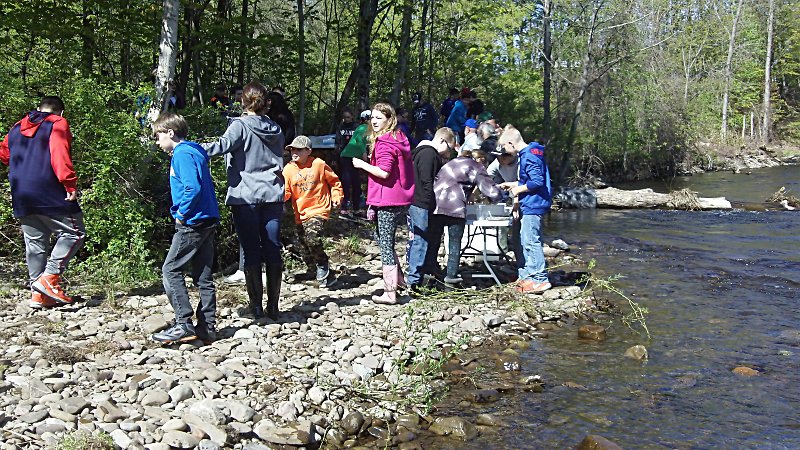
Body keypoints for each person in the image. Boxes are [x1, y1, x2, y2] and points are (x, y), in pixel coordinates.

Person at [202, 81, 285, 319]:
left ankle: (256, 307)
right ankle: (274, 307)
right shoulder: (276, 128)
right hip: (272, 193)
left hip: (245, 195)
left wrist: (189, 148)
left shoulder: (239, 126)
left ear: (242, 101)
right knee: (272, 247)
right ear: (265, 102)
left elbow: (220, 146)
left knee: (250, 250)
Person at [0, 96, 86, 309]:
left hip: (21, 192)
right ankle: (49, 278)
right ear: (61, 112)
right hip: (48, 190)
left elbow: (4, 155)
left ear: (38, 108)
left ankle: (38, 295)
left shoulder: (16, 127)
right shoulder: (58, 123)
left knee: (35, 244)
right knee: (75, 233)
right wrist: (69, 184)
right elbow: (59, 154)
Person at [149, 113, 220, 344]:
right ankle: (207, 327)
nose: (157, 143)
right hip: (207, 219)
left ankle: (183, 323)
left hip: (193, 221)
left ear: (171, 132)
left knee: (170, 270)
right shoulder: (196, 151)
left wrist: (182, 214)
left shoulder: (182, 154)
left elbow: (192, 188)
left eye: (158, 136)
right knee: (203, 276)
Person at [352, 103, 414, 304]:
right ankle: (400, 281)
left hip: (387, 199)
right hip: (399, 198)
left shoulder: (386, 142)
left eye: (379, 118)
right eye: (373, 117)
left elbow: (384, 172)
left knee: (386, 245)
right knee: (382, 238)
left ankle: (390, 292)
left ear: (390, 119)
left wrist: (362, 164)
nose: (374, 121)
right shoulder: (400, 138)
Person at [430, 149, 505, 285]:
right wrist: (504, 196)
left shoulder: (451, 163)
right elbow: (490, 191)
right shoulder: (476, 166)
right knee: (455, 242)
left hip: (435, 204)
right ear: (481, 160)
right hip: (455, 206)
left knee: (434, 241)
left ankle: (430, 272)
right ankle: (451, 278)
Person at [283, 136, 344, 288]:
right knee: (302, 244)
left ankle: (323, 266)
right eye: (292, 149)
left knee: (312, 237)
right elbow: (286, 192)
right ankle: (313, 270)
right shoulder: (289, 169)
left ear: (308, 151)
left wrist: (337, 196)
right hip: (300, 212)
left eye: (298, 149)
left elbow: (335, 182)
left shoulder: (318, 164)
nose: (294, 152)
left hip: (319, 208)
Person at [498, 126, 552, 294]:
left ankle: (540, 279)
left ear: (510, 143)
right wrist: (514, 184)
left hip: (533, 204)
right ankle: (529, 276)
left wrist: (517, 190)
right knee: (525, 240)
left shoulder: (529, 155)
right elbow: (528, 180)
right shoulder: (529, 153)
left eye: (504, 147)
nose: (504, 151)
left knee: (531, 241)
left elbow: (537, 182)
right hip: (530, 203)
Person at [406, 128, 456, 290]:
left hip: (419, 202)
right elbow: (428, 181)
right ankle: (415, 280)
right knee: (421, 241)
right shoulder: (428, 154)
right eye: (449, 149)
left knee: (421, 240)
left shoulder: (423, 153)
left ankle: (422, 274)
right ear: (442, 141)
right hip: (422, 203)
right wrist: (432, 203)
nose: (448, 154)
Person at [339, 110, 371, 213]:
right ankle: (344, 206)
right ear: (366, 119)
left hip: (355, 158)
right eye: (370, 118)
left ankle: (356, 208)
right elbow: (359, 140)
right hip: (347, 156)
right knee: (347, 182)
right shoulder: (362, 128)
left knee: (356, 183)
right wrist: (364, 153)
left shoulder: (369, 129)